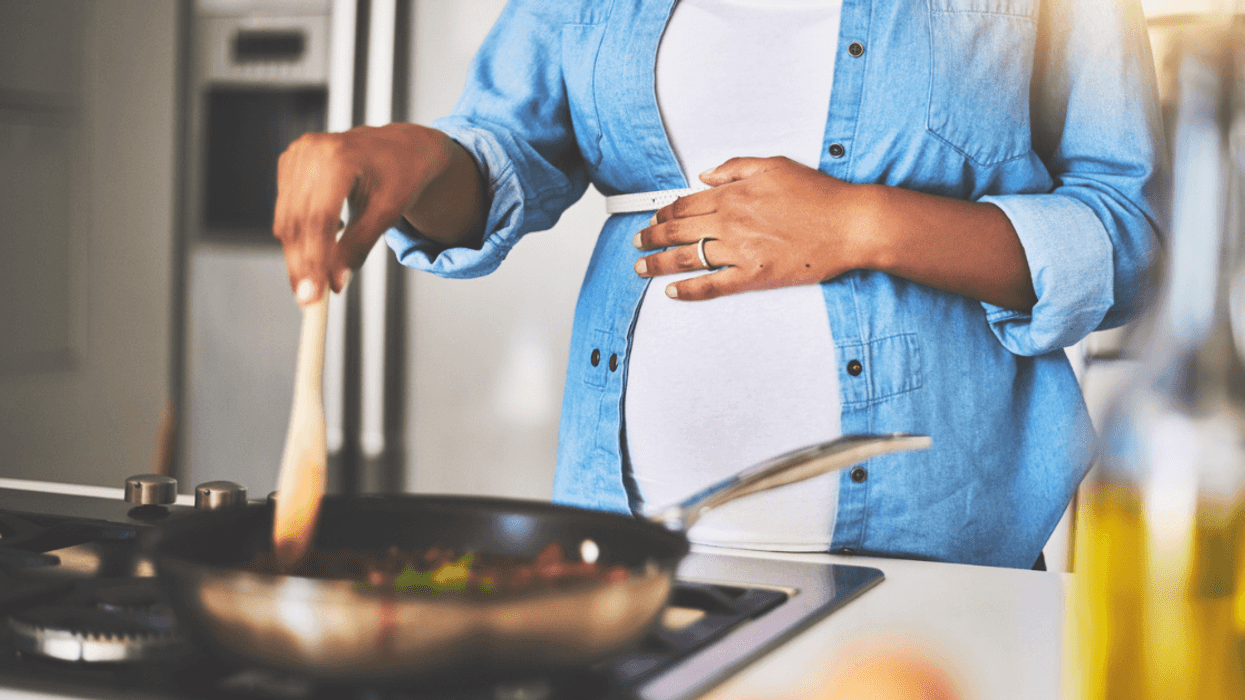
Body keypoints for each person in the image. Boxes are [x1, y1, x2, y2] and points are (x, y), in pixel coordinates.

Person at [273, 0, 1163, 569]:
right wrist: (418, 158)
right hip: (628, 560)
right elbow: (499, 155)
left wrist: (859, 225)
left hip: (932, 562)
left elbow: (1130, 235)